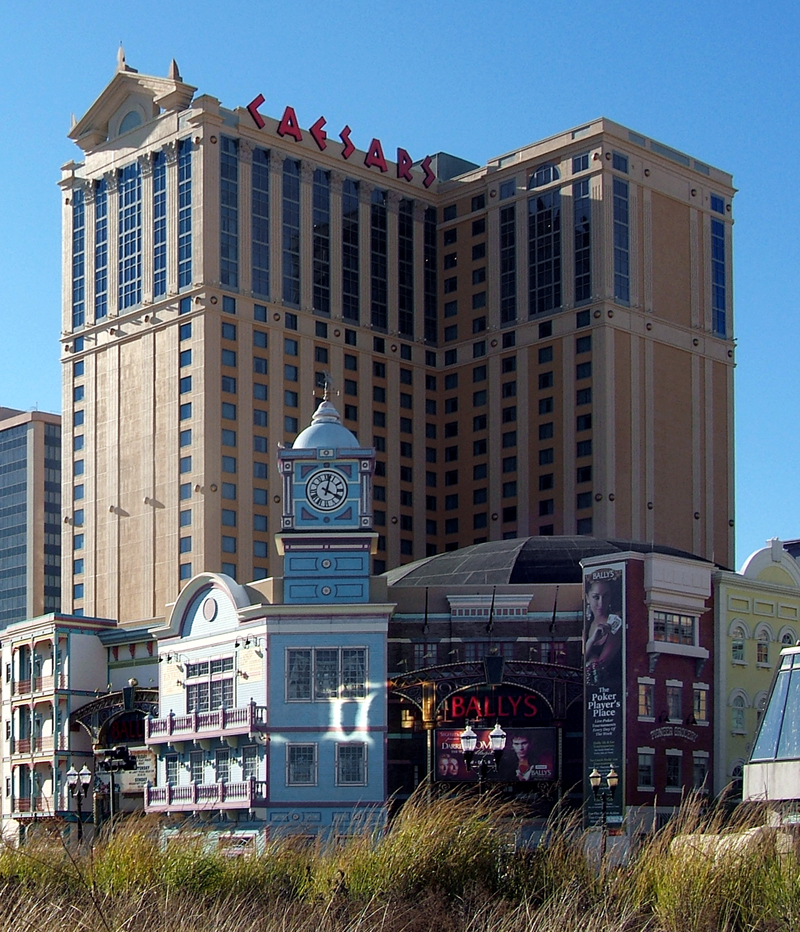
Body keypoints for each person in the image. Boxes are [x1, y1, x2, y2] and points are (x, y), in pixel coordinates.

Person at [584, 576, 623, 685]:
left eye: (605, 596)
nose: (601, 603)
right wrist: (591, 641)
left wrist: (590, 657)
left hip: (611, 689)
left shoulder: (616, 623)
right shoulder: (586, 625)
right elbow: (580, 662)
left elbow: (599, 665)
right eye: (596, 597)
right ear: (587, 598)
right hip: (591, 693)